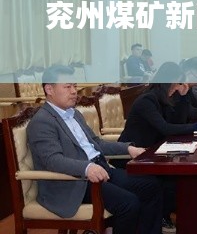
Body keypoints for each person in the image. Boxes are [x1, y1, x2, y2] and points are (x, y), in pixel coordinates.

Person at [27, 65, 162, 234]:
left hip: (100, 169)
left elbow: (97, 143)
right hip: (74, 182)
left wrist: (128, 149)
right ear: (49, 89)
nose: (74, 91)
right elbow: (53, 160)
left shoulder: (74, 114)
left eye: (75, 86)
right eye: (67, 87)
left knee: (151, 186)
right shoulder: (42, 121)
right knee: (128, 203)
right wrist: (87, 167)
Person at [117, 62, 197, 233]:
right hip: (135, 155)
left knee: (181, 176)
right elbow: (166, 128)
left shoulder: (166, 97)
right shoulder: (147, 100)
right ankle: (164, 219)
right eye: (178, 83)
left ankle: (183, 218)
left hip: (156, 151)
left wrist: (185, 96)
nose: (178, 87)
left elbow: (184, 117)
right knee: (170, 180)